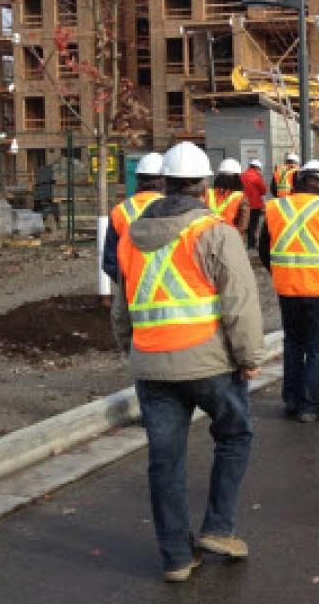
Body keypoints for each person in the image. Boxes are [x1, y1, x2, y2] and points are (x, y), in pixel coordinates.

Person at [112, 141, 264, 583]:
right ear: (203, 186)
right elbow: (239, 302)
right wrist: (249, 358)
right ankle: (218, 527)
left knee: (165, 460)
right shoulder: (214, 232)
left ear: (163, 184)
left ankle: (176, 557)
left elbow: (122, 306)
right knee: (235, 435)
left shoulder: (132, 235)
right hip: (209, 362)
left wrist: (132, 349)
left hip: (153, 365)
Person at [259, 159, 319, 422]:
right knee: (316, 348)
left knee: (292, 344)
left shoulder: (275, 208)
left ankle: (291, 400)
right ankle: (311, 405)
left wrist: (282, 272)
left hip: (287, 288)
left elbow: (263, 250)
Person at [102, 152, 165, 283]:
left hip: (132, 292)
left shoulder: (120, 211)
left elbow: (110, 261)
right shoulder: (174, 209)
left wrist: (129, 283)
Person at [206, 158, 250, 235]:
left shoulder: (207, 193)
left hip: (208, 236)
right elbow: (243, 225)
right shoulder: (240, 197)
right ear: (237, 179)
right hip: (229, 237)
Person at [240, 159, 268, 250]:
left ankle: (244, 242)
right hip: (255, 205)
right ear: (258, 168)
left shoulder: (242, 176)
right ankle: (251, 244)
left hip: (243, 204)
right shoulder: (257, 177)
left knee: (245, 223)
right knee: (253, 225)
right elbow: (263, 191)